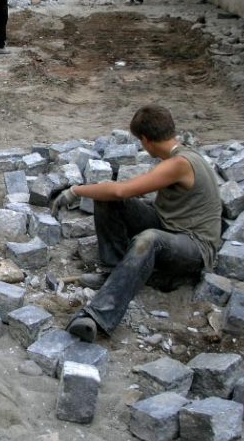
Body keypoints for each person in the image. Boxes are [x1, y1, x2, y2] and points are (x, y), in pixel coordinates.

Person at [51, 105, 221, 343]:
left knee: (148, 239)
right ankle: (112, 273)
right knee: (106, 199)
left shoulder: (180, 163)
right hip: (170, 227)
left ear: (146, 140)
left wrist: (75, 191)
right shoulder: (179, 154)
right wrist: (94, 192)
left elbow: (122, 189)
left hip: (195, 247)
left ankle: (99, 315)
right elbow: (116, 194)